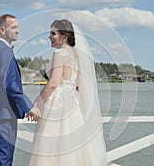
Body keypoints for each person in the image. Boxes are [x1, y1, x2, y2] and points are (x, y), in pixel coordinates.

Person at [27, 19, 108, 166]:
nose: (49, 37)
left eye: (53, 33)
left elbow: (53, 84)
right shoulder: (77, 55)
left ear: (64, 36)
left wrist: (36, 104)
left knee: (52, 146)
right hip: (73, 103)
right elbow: (78, 84)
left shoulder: (60, 53)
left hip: (58, 102)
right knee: (72, 145)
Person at [0, 14, 39, 166]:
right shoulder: (5, 52)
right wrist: (29, 107)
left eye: (18, 27)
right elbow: (11, 85)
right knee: (5, 158)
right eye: (13, 27)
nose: (18, 31)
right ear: (2, 30)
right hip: (4, 113)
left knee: (1, 156)